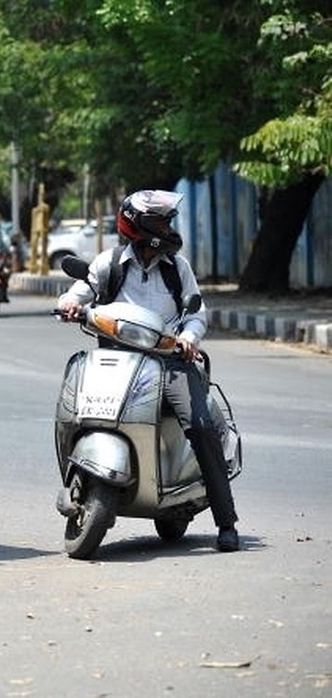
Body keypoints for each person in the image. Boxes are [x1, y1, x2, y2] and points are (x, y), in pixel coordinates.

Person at [57, 189, 240, 552]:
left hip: (169, 362)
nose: (168, 228)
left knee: (201, 428)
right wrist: (68, 305)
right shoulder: (108, 264)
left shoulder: (178, 268)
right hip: (117, 359)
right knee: (77, 410)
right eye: (162, 222)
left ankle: (227, 521)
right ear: (141, 225)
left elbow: (196, 314)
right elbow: (79, 292)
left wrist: (189, 337)